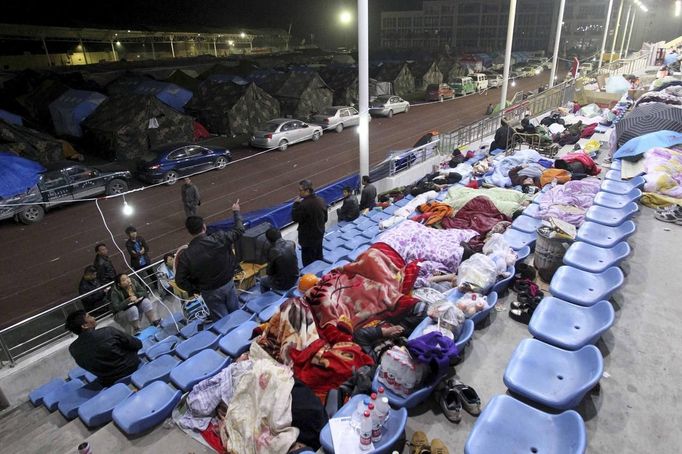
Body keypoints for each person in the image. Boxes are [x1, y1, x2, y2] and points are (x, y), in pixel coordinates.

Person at [175, 200, 244, 320]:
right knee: (236, 315)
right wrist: (236, 212)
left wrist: (196, 288)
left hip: (209, 292)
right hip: (228, 283)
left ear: (189, 232)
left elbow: (180, 280)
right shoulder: (219, 238)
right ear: (204, 226)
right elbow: (239, 230)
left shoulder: (186, 255)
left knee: (223, 322)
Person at [65, 310, 142, 386]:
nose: (93, 317)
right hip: (133, 369)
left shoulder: (73, 349)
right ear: (84, 326)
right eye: (89, 316)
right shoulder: (108, 331)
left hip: (109, 383)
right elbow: (137, 344)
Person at [292, 180, 328, 266]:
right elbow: (325, 218)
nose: (299, 192)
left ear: (307, 190)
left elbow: (295, 218)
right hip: (319, 236)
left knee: (308, 265)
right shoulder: (321, 200)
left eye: (300, 190)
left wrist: (295, 205)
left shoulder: (303, 205)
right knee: (319, 259)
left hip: (307, 240)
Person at [260, 227, 299, 293]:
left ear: (269, 240)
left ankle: (267, 300)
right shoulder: (291, 243)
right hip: (295, 278)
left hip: (282, 284)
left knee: (262, 281)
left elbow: (269, 272)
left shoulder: (273, 251)